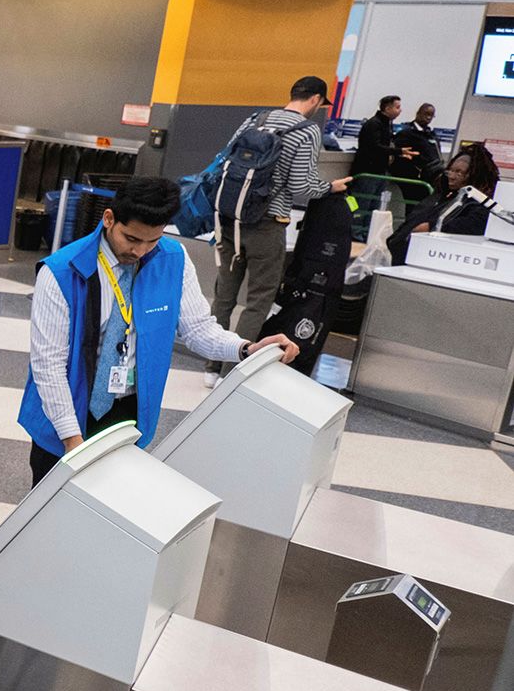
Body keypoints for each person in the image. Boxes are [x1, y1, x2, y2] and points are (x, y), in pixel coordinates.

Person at [20, 176, 301, 485]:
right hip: (66, 417)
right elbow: (48, 365)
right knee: (52, 520)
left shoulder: (172, 259)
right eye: (131, 239)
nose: (140, 251)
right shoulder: (61, 271)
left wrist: (246, 348)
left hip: (128, 412)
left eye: (151, 241)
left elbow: (198, 329)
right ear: (109, 219)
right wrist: (72, 441)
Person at [204, 75, 350, 384]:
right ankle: (233, 373)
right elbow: (301, 185)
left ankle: (211, 367)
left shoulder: (256, 118)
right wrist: (330, 187)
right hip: (266, 225)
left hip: (230, 219)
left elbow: (225, 159)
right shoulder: (308, 130)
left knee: (224, 296)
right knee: (258, 299)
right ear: (315, 100)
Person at [390, 144, 502, 262]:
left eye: (459, 173)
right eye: (450, 171)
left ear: (474, 175)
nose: (451, 176)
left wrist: (431, 226)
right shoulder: (441, 196)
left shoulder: (479, 206)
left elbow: (469, 227)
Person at [392, 102, 445, 189]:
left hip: (432, 176)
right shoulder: (407, 132)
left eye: (431, 115)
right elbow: (398, 154)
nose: (428, 117)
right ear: (418, 113)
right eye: (426, 114)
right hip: (413, 178)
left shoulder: (431, 133)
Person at [353, 94, 402, 179]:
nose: (400, 110)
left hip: (380, 169)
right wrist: (398, 151)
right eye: (397, 107)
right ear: (387, 109)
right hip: (369, 169)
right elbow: (375, 147)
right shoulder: (374, 124)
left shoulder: (387, 123)